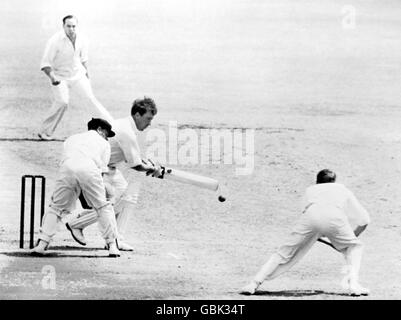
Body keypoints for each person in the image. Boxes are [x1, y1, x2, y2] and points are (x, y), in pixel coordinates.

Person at [240, 169, 371, 296]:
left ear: (317, 182)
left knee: (283, 252)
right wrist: (349, 240)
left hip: (310, 218)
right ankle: (354, 286)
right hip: (335, 219)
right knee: (355, 247)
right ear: (334, 181)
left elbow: (309, 216)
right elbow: (364, 220)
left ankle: (253, 284)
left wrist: (316, 234)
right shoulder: (343, 190)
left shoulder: (310, 190)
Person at [65, 97, 163, 251]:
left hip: (110, 168)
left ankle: (118, 238)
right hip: (97, 169)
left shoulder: (125, 125)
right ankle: (76, 224)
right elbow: (136, 165)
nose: (150, 123)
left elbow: (134, 157)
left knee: (130, 197)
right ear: (137, 114)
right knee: (113, 203)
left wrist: (150, 165)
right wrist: (152, 170)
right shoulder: (127, 132)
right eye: (148, 118)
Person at [31, 118, 120, 257]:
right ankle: (112, 245)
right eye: (106, 133)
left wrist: (81, 193)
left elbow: (71, 163)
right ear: (99, 129)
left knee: (56, 207)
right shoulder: (103, 143)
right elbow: (100, 173)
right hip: (89, 168)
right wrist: (90, 199)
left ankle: (42, 244)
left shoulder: (71, 139)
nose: (107, 137)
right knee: (103, 206)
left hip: (67, 167)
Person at [38, 15, 113, 140]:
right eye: (68, 26)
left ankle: (112, 127)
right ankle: (45, 131)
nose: (71, 29)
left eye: (73, 26)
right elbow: (45, 63)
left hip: (77, 76)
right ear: (63, 26)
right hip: (59, 76)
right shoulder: (54, 41)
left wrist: (87, 74)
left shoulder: (83, 39)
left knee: (90, 99)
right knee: (62, 102)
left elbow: (83, 59)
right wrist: (52, 77)